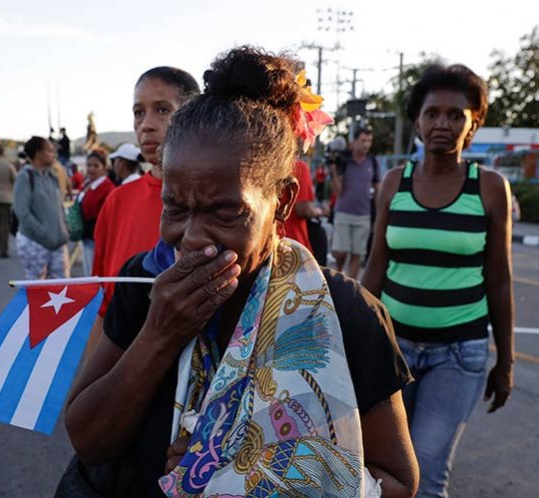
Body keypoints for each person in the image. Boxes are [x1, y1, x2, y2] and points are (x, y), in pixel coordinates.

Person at [60, 46, 418, 498]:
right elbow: (88, 442)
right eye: (175, 207)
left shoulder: (343, 313)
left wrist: (251, 474)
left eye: (227, 212)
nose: (191, 237)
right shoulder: (144, 282)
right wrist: (160, 333)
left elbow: (400, 481)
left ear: (283, 201)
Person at [362, 64, 514, 498]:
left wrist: (504, 362)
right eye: (432, 114)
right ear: (418, 120)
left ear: (473, 124)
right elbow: (375, 267)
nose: (442, 124)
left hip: (458, 353)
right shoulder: (394, 183)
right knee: (384, 470)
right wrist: (350, 337)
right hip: (392, 350)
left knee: (426, 475)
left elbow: (499, 280)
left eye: (456, 115)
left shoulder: (488, 187)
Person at [89, 66, 200, 344]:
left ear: (194, 115)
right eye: (139, 112)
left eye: (162, 110)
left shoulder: (211, 205)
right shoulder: (117, 200)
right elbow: (103, 304)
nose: (146, 124)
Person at [13, 137, 69, 279]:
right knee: (37, 290)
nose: (54, 154)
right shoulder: (25, 177)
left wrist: (64, 231)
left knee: (60, 290)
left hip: (57, 245)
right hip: (34, 243)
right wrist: (45, 234)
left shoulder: (52, 176)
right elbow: (22, 212)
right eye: (50, 150)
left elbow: (59, 207)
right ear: (38, 153)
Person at [329, 127, 379, 278]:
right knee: (340, 251)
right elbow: (338, 192)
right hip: (343, 212)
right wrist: (333, 170)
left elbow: (378, 189)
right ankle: (339, 273)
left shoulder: (372, 162)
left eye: (369, 141)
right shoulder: (344, 161)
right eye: (363, 140)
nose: (366, 144)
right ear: (354, 142)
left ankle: (351, 287)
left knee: (358, 253)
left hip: (363, 215)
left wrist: (378, 216)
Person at [77, 149, 115, 275]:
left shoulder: (107, 188)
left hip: (97, 240)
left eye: (96, 166)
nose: (91, 169)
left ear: (104, 168)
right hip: (87, 237)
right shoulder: (88, 184)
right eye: (89, 165)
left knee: (94, 275)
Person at [285, 158, 326, 263]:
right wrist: (320, 212)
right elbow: (303, 210)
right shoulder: (297, 167)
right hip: (292, 245)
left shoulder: (256, 162)